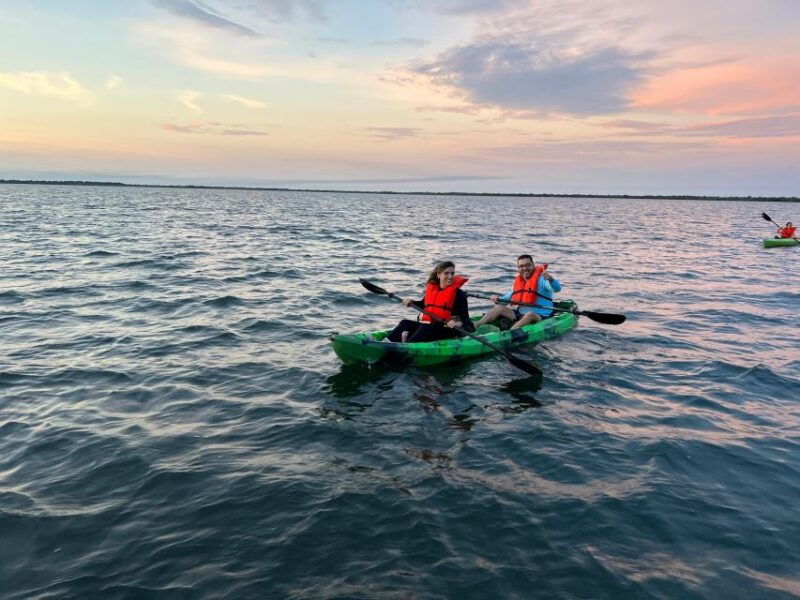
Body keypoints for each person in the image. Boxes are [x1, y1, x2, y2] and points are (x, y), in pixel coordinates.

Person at [387, 261, 474, 343]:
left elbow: (466, 321)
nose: (450, 276)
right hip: (432, 327)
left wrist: (457, 323)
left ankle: (407, 346)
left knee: (426, 328)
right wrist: (411, 302)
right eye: (446, 273)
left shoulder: (459, 295)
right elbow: (424, 305)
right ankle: (386, 342)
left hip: (450, 330)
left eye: (452, 273)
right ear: (438, 275)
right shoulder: (433, 291)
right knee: (405, 323)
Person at [473, 254, 561, 330]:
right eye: (521, 266)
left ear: (533, 265)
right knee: (499, 308)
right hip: (520, 314)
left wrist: (550, 279)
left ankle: (510, 332)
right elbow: (505, 300)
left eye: (528, 265)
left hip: (541, 316)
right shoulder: (518, 283)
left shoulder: (542, 279)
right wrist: (497, 299)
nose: (525, 268)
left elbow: (557, 289)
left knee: (530, 315)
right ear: (518, 268)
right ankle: (476, 325)